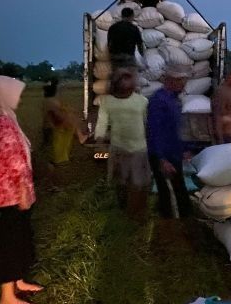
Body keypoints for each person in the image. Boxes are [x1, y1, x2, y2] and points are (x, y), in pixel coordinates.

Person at [0, 76, 43, 304]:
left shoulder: (4, 119)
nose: (19, 98)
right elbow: (13, 161)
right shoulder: (0, 123)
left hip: (16, 192)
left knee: (20, 236)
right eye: (13, 93)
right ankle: (7, 295)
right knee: (10, 240)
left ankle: (18, 280)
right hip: (12, 194)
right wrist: (24, 190)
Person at [94, 69, 150, 222]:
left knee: (139, 182)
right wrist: (99, 142)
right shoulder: (107, 102)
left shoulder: (142, 101)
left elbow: (146, 123)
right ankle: (124, 209)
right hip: (119, 147)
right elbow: (102, 123)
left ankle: (137, 211)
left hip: (139, 148)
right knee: (122, 182)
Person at [147, 64, 193, 219]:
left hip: (174, 153)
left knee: (179, 187)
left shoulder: (174, 100)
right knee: (168, 192)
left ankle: (186, 220)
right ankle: (172, 227)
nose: (184, 86)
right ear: (172, 81)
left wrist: (184, 148)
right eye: (182, 82)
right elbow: (154, 132)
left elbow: (175, 129)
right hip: (164, 155)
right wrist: (162, 160)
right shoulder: (158, 101)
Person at [41, 78, 86, 168]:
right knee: (62, 139)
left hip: (57, 124)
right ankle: (60, 159)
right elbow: (57, 113)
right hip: (58, 124)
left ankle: (61, 159)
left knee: (63, 140)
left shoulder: (49, 100)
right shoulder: (51, 101)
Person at [107, 6, 144, 74]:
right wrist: (142, 56)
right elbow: (140, 45)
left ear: (122, 15)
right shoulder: (134, 28)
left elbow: (109, 43)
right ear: (131, 16)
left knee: (117, 77)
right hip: (128, 57)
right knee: (130, 77)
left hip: (115, 57)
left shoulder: (112, 28)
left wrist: (111, 55)